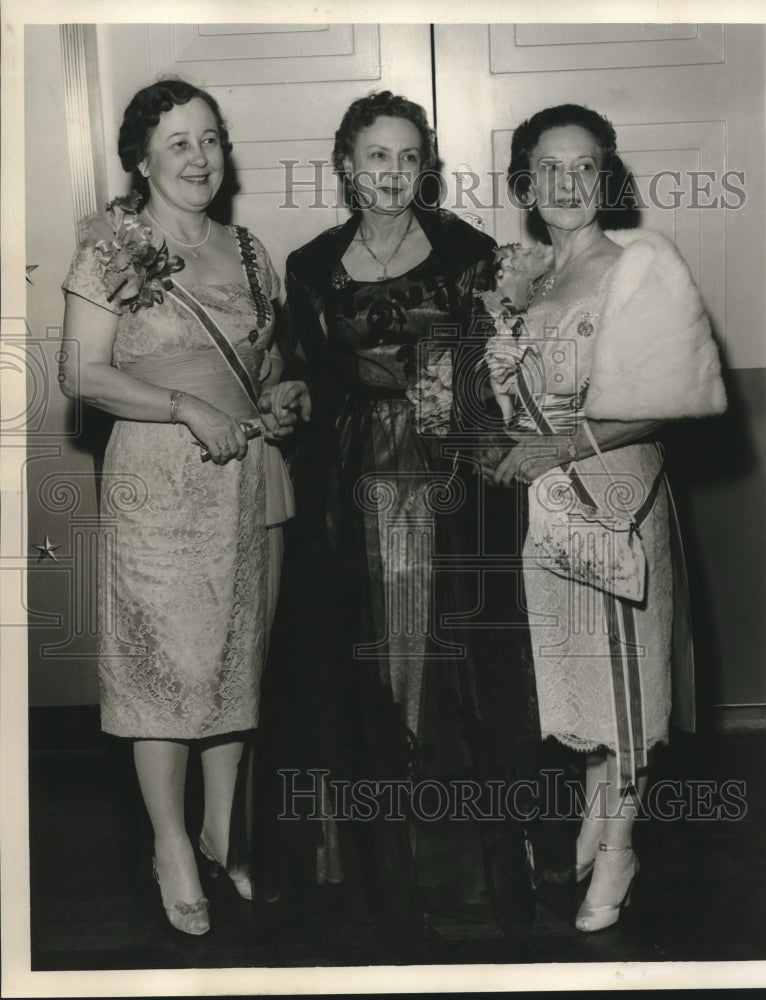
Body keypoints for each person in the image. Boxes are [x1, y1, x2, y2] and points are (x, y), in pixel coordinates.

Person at [265, 90, 539, 929]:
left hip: (441, 481)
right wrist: (288, 393)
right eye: (375, 156)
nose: (391, 173)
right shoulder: (309, 263)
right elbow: (305, 371)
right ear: (346, 164)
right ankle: (361, 862)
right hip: (342, 486)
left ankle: (450, 859)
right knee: (349, 657)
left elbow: (495, 373)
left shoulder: (469, 254)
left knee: (441, 653)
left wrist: (460, 407)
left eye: (406, 157)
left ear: (425, 167)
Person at [59, 78, 298, 936]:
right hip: (157, 482)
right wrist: (180, 407)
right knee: (166, 674)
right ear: (142, 159)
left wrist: (284, 394)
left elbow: (259, 370)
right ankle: (168, 845)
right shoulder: (112, 249)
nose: (200, 158)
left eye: (211, 139)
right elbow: (78, 375)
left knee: (238, 665)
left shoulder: (251, 251)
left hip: (249, 479)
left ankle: (222, 832)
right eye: (179, 143)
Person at [483, 104, 726, 932]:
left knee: (626, 683)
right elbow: (513, 402)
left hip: (617, 499)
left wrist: (560, 447)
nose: (564, 183)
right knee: (579, 675)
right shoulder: (529, 274)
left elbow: (669, 402)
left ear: (606, 177)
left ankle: (621, 850)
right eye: (546, 167)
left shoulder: (638, 265)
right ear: (524, 180)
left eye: (582, 166)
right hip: (550, 513)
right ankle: (597, 819)